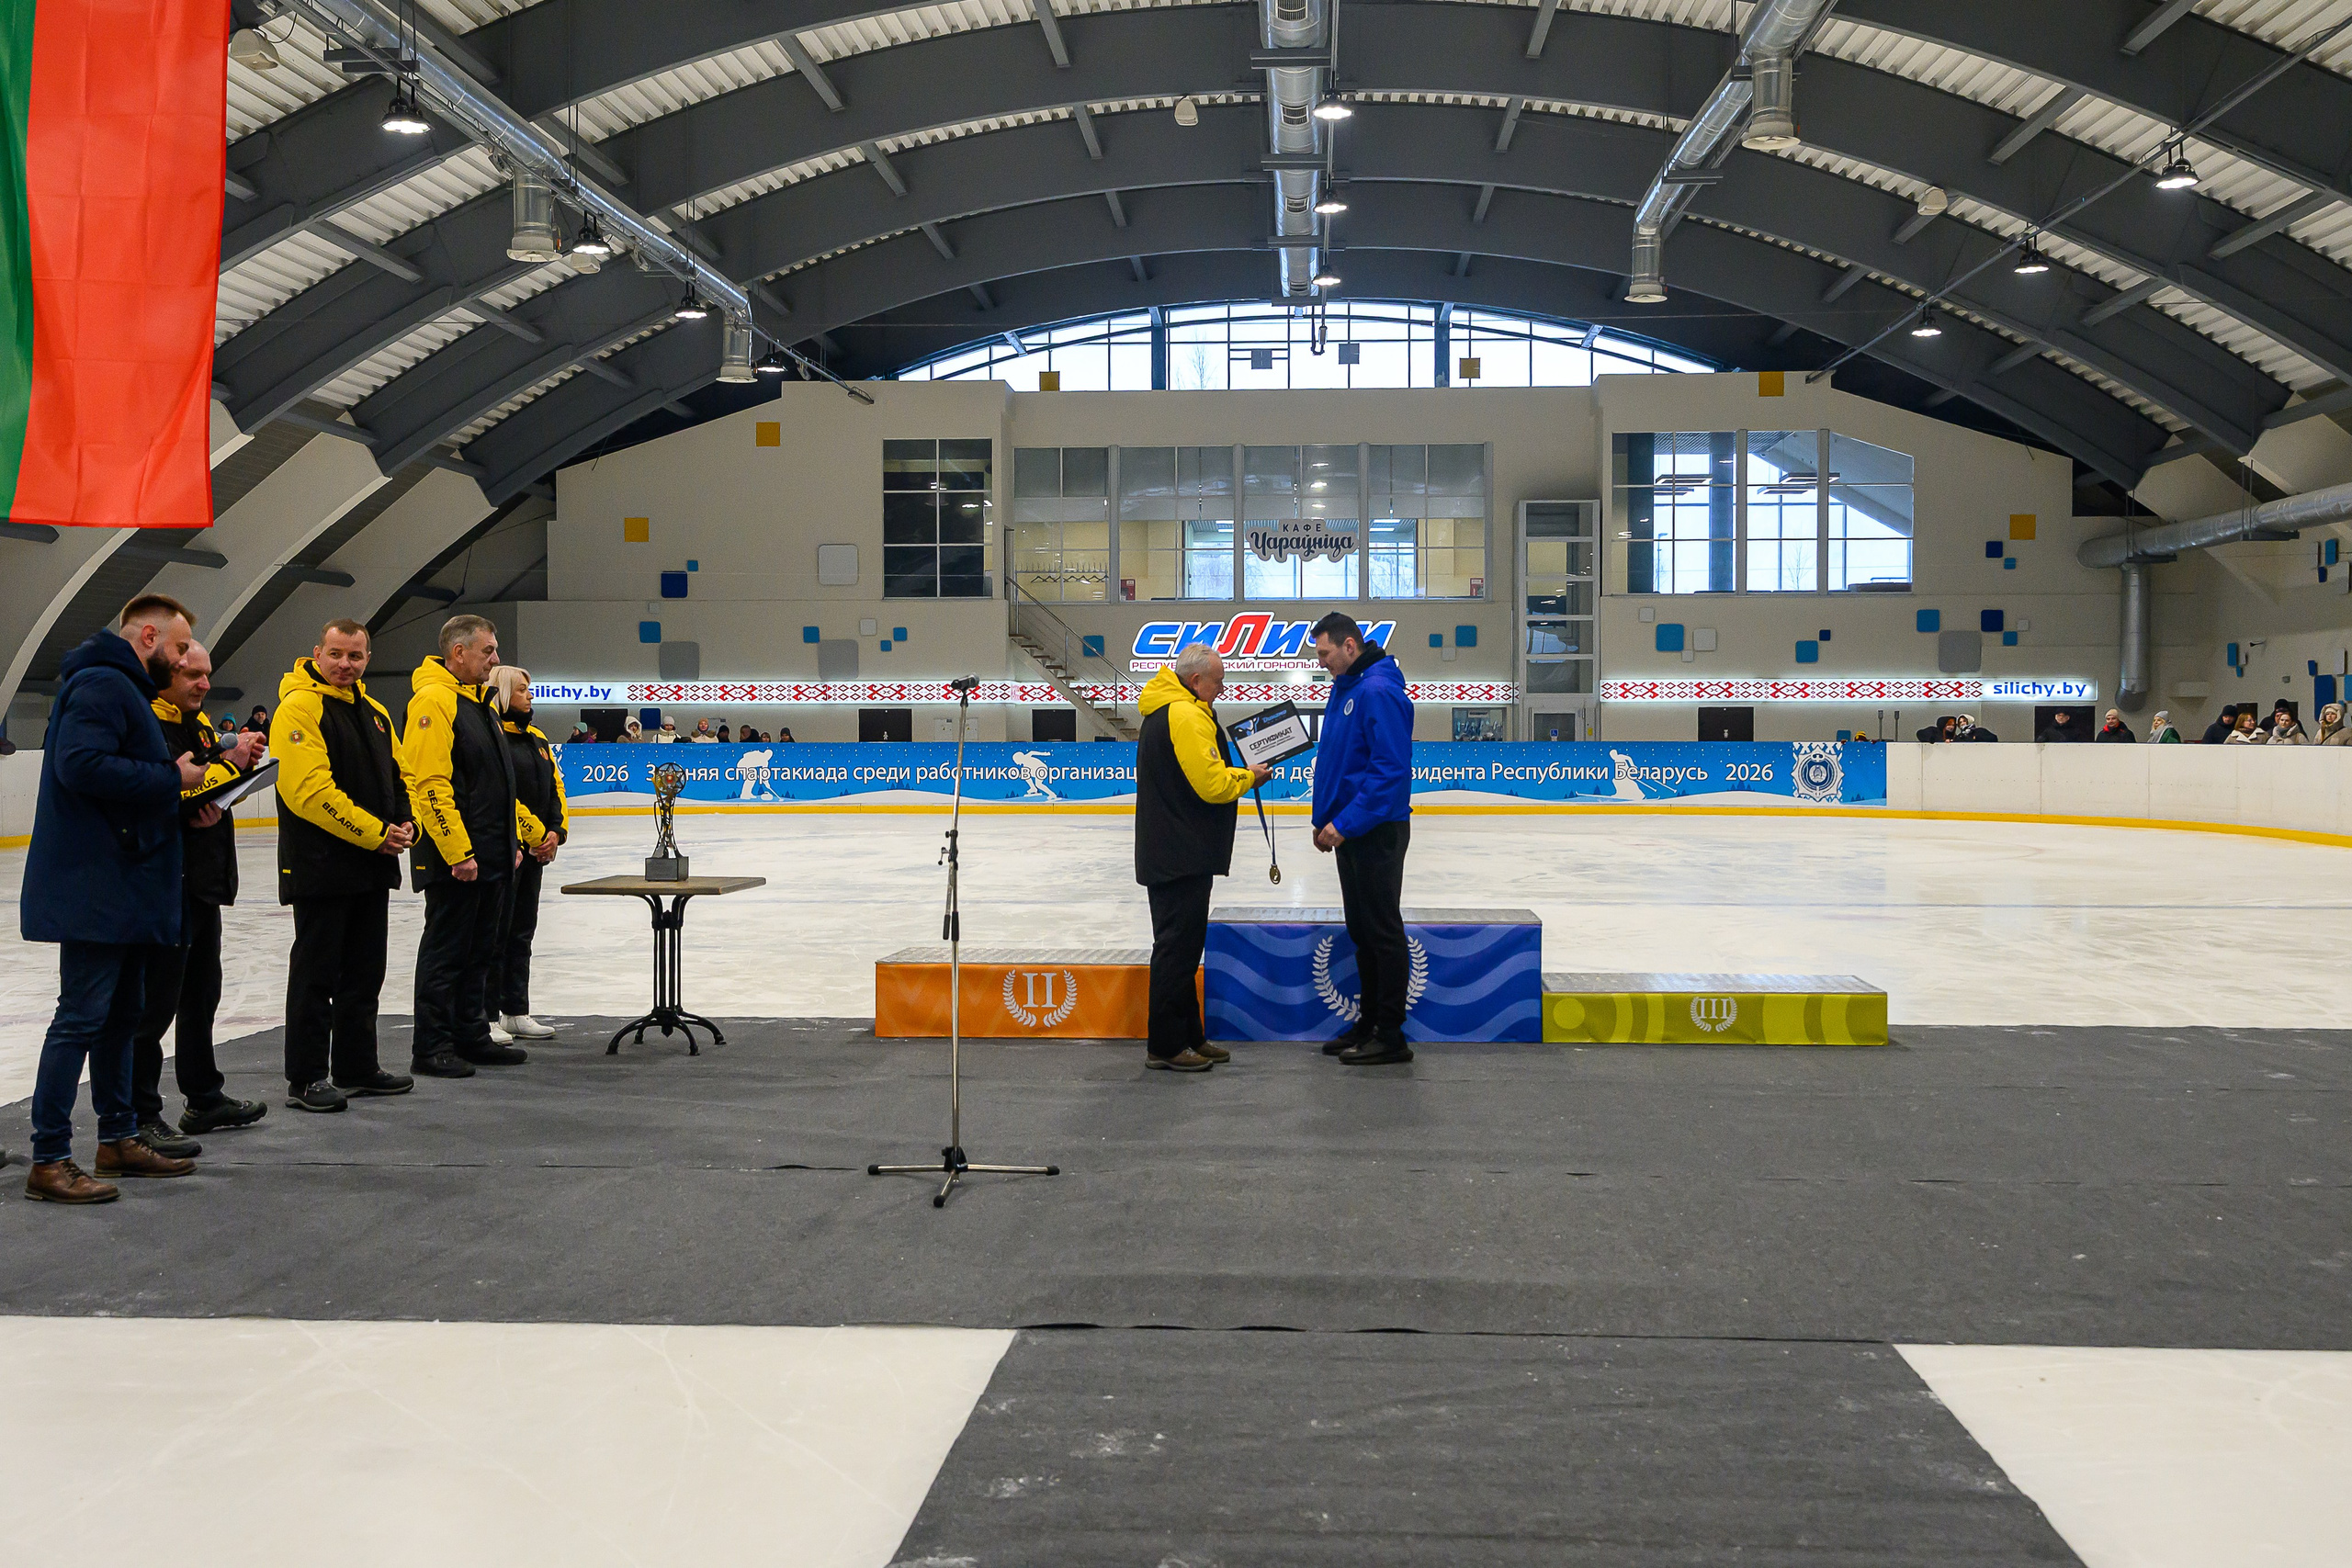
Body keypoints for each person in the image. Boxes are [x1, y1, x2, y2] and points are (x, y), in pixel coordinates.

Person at [20, 596, 210, 1203]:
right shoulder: (103, 684)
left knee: (122, 1017)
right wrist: (171, 779)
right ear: (148, 635)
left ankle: (118, 1136)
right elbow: (81, 766)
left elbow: (117, 779)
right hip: (97, 886)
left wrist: (175, 799)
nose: (184, 661)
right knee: (80, 1017)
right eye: (180, 648)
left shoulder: (121, 687)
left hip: (121, 883)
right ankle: (49, 1157)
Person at [274, 619, 421, 1112]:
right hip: (321, 867)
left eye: (355, 656)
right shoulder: (299, 708)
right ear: (317, 652)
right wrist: (375, 834)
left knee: (364, 971)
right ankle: (307, 1076)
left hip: (369, 866)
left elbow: (400, 776)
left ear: (367, 660)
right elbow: (309, 793)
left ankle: (357, 1065)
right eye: (336, 654)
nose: (345, 664)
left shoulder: (375, 712)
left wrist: (407, 823)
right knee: (317, 974)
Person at [131, 640, 271, 1152]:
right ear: (163, 672)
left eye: (207, 674)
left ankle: (203, 1096)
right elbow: (153, 792)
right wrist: (208, 784)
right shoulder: (145, 720)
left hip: (200, 882)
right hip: (163, 884)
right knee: (153, 1007)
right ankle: (139, 1114)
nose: (205, 684)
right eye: (193, 675)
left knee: (200, 995)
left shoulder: (198, 721)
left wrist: (233, 759)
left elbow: (205, 777)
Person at [405, 615, 547, 1076]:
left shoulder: (479, 703)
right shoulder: (434, 701)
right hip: (459, 859)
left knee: (481, 950)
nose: (496, 658)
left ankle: (471, 1033)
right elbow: (430, 785)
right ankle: (432, 1046)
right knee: (447, 953)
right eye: (488, 651)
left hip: (493, 853)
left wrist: (514, 839)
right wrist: (457, 852)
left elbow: (496, 787)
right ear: (458, 652)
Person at [1133, 647, 1271, 1073]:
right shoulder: (1185, 715)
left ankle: (1189, 1036)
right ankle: (1166, 1045)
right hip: (1180, 853)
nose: (1223, 688)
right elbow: (1211, 784)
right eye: (1219, 681)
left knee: (1184, 947)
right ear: (1196, 681)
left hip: (1175, 849)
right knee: (1177, 950)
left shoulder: (1170, 710)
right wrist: (1250, 777)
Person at [1309, 612, 1416, 1066]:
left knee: (1381, 932)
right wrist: (1327, 820)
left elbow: (1388, 772)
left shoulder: (1376, 690)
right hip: (1351, 831)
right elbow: (1341, 762)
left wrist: (1345, 823)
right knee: (1363, 930)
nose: (1322, 662)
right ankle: (1370, 1021)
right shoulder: (1347, 688)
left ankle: (1390, 1034)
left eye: (1325, 653)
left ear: (1350, 646)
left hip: (1374, 830)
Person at [486, 667, 565, 1041]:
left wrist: (555, 832)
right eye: (521, 690)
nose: (529, 697)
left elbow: (555, 789)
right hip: (506, 849)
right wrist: (530, 835)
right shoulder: (493, 735)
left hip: (535, 852)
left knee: (522, 931)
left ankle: (514, 1010)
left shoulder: (537, 738)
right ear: (502, 693)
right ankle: (485, 1014)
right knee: (494, 932)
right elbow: (499, 793)